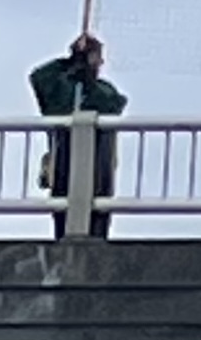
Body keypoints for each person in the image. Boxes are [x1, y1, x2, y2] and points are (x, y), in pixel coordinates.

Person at [29, 34, 127, 239]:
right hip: (64, 157)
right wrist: (72, 61)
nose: (101, 63)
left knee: (98, 210)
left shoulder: (103, 90)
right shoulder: (60, 89)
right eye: (97, 57)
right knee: (63, 208)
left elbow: (114, 104)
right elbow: (39, 77)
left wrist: (86, 78)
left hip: (98, 161)